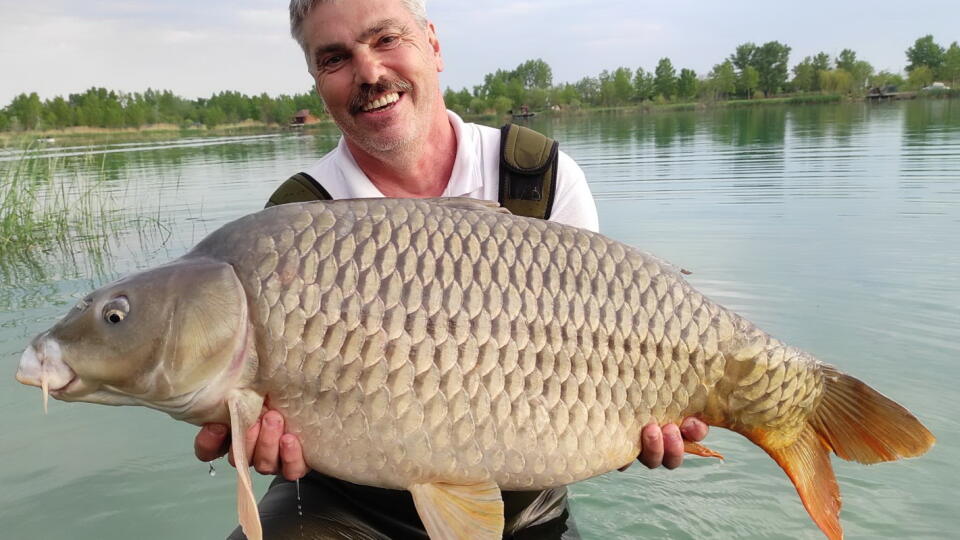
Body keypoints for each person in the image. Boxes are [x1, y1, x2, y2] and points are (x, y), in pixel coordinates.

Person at [195, 0, 709, 537]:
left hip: (525, 500)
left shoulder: (541, 175)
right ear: (316, 79)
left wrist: (635, 422)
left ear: (434, 45)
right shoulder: (294, 222)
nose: (369, 72)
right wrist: (253, 431)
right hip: (346, 503)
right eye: (335, 58)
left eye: (386, 39)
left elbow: (603, 354)